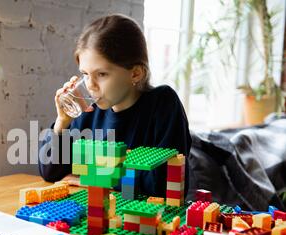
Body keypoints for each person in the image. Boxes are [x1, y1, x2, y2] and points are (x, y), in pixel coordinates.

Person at [38, 14, 192, 197]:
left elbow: (163, 184)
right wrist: (61, 125)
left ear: (135, 74)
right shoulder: (87, 111)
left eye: (102, 74)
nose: (90, 85)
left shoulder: (163, 105)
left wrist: (92, 175)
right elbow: (51, 173)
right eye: (85, 74)